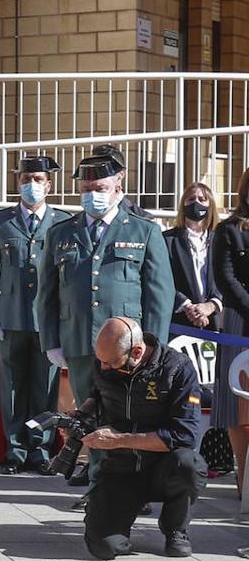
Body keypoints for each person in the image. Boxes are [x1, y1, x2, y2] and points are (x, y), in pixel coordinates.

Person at [37, 151, 175, 501]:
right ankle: (100, 486)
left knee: (130, 417)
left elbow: (160, 292)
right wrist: (51, 341)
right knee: (89, 415)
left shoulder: (143, 231)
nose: (91, 193)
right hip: (81, 341)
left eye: (98, 186)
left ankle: (135, 490)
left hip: (130, 348)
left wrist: (153, 345)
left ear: (118, 186)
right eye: (86, 187)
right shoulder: (61, 233)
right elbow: (47, 293)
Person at [81, 317, 204, 559]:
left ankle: (175, 529)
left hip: (163, 468)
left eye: (111, 363)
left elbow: (183, 435)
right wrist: (79, 416)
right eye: (101, 362)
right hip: (120, 469)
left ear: (137, 351)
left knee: (189, 464)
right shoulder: (106, 362)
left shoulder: (177, 368)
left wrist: (120, 440)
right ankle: (119, 526)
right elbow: (97, 393)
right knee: (104, 548)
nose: (104, 368)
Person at [0, 155, 72, 474]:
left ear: (49, 185)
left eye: (37, 180)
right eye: (24, 179)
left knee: (43, 387)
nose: (30, 185)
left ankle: (40, 448)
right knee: (13, 386)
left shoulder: (62, 223)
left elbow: (66, 277)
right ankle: (15, 450)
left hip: (46, 321)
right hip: (11, 317)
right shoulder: (0, 222)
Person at [211, 168, 249, 492]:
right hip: (240, 318)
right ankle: (242, 481)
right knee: (239, 405)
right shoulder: (229, 230)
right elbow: (225, 279)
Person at [166, 181, 222, 331]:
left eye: (202, 199)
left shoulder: (221, 240)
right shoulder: (167, 240)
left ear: (210, 206)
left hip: (215, 321)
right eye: (191, 199)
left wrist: (211, 305)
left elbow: (227, 277)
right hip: (179, 321)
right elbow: (163, 280)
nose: (196, 202)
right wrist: (189, 307)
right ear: (183, 205)